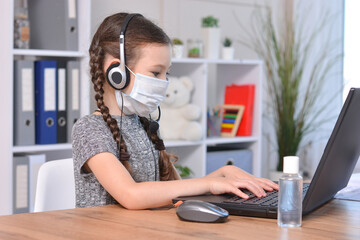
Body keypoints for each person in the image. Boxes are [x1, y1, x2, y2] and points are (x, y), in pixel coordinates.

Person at [72, 12, 278, 210]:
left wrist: (223, 174)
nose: (165, 82)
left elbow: (176, 193)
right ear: (117, 72)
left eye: (166, 73)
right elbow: (131, 195)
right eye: (156, 72)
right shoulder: (90, 129)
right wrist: (209, 184)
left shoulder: (143, 125)